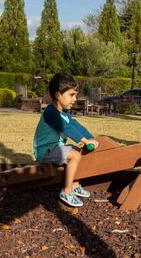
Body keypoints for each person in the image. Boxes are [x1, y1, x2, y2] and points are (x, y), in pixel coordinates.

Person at [33, 73, 100, 207]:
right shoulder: (51, 113)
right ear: (58, 95)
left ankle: (74, 184)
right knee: (74, 155)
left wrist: (91, 137)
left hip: (55, 148)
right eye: (71, 95)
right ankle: (67, 191)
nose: (74, 99)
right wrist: (86, 141)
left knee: (78, 151)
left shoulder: (65, 113)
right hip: (44, 151)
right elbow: (67, 128)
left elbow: (76, 125)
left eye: (75, 95)